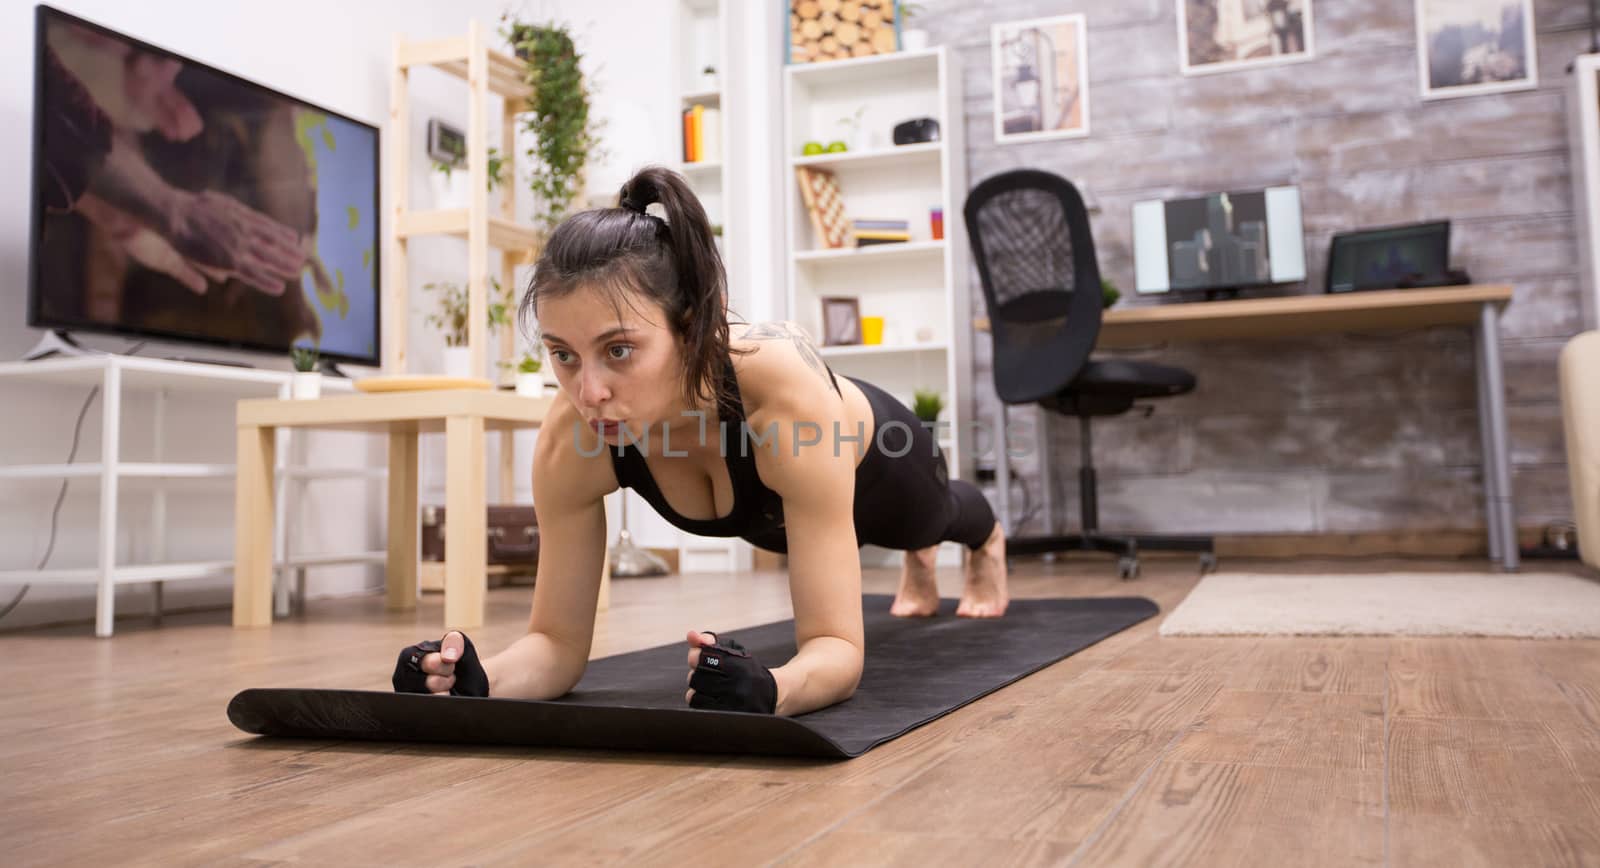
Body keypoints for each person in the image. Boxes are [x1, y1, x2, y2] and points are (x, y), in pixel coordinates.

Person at [392, 167, 1008, 718]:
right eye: (563, 355)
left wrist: (774, 690)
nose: (590, 392)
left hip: (876, 461)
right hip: (772, 512)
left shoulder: (785, 399)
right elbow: (555, 645)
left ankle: (980, 544)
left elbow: (838, 650)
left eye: (618, 349)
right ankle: (920, 565)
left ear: (691, 329)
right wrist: (478, 678)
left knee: (936, 517)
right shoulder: (571, 436)